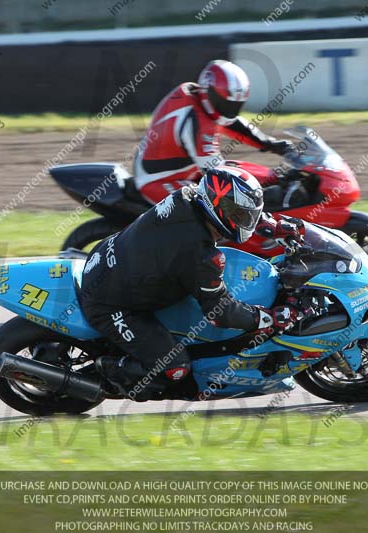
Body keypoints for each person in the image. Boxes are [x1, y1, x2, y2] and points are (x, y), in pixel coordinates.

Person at [78, 166, 301, 400]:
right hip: (109, 304)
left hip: (108, 258)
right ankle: (111, 372)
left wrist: (270, 225)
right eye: (241, 215)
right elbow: (220, 312)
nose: (247, 221)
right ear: (217, 206)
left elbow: (229, 212)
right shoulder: (200, 255)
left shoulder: (187, 196)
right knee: (175, 369)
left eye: (249, 215)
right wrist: (268, 318)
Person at [133, 59, 294, 205]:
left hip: (183, 170)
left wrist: (272, 145)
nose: (229, 110)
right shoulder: (195, 122)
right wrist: (265, 191)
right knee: (207, 210)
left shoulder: (197, 97)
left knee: (237, 168)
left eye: (234, 106)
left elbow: (232, 123)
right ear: (209, 93)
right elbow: (220, 176)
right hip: (158, 180)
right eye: (224, 104)